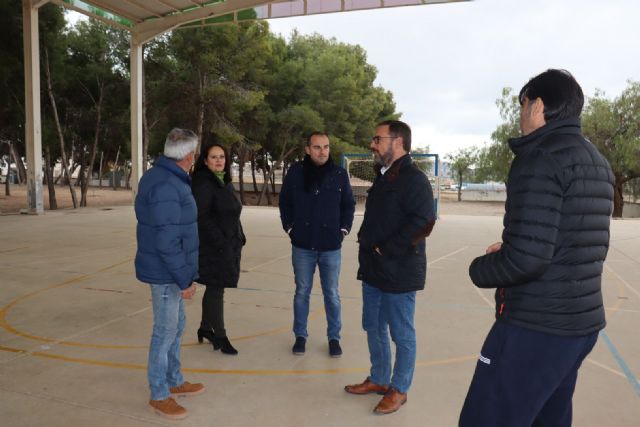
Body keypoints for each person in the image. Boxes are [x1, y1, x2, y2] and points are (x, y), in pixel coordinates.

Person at [459, 69, 615, 427]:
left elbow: (526, 261)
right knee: (548, 417)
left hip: (536, 327)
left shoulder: (540, 157)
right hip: (579, 325)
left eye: (523, 104)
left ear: (537, 105)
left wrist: (481, 266)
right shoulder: (597, 162)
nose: (520, 113)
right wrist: (516, 246)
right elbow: (575, 242)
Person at [344, 120, 436, 415]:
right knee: (373, 326)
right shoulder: (383, 176)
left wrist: (387, 249)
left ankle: (400, 388)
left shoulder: (414, 179)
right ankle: (380, 379)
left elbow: (423, 223)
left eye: (377, 139)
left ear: (397, 142)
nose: (372, 144)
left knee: (401, 333)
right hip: (373, 268)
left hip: (399, 270)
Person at [135, 128, 204, 420]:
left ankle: (174, 380)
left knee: (176, 327)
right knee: (164, 333)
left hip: (171, 271)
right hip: (166, 274)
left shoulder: (168, 178)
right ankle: (159, 394)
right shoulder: (166, 185)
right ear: (189, 156)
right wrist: (184, 280)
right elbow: (167, 241)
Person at [279, 132, 355, 357]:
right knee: (302, 292)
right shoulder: (296, 173)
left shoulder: (339, 174)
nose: (322, 151)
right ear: (307, 149)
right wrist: (290, 228)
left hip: (331, 246)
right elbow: (285, 202)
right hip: (302, 245)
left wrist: (343, 230)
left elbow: (348, 205)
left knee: (332, 293)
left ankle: (334, 338)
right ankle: (300, 336)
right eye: (317, 147)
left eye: (326, 147)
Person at [192, 141, 245, 355]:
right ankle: (221, 336)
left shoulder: (224, 181)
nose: (218, 161)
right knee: (217, 288)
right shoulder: (203, 183)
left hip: (229, 243)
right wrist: (222, 242)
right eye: (213, 157)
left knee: (215, 286)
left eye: (222, 157)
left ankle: (205, 328)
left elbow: (233, 212)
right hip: (214, 246)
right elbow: (202, 218)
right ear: (205, 161)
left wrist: (240, 236)